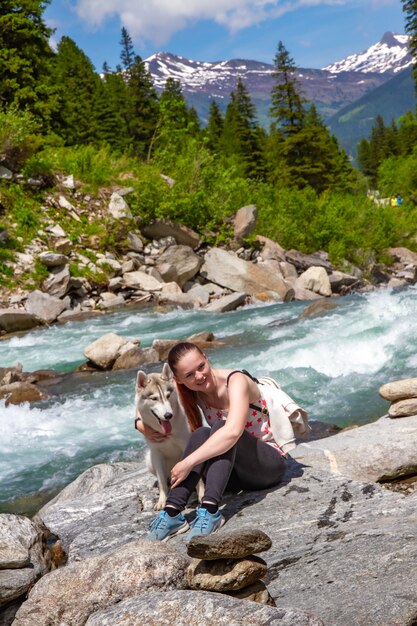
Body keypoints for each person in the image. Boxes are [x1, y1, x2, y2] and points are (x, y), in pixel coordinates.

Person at [145, 341, 291, 542]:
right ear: (178, 379)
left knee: (221, 428)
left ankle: (210, 511)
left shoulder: (236, 380)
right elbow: (148, 397)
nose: (199, 376)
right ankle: (172, 514)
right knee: (201, 434)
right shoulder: (190, 391)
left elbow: (232, 433)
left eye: (201, 366)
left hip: (266, 466)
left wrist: (187, 463)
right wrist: (140, 424)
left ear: (206, 357)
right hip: (232, 474)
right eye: (189, 375)